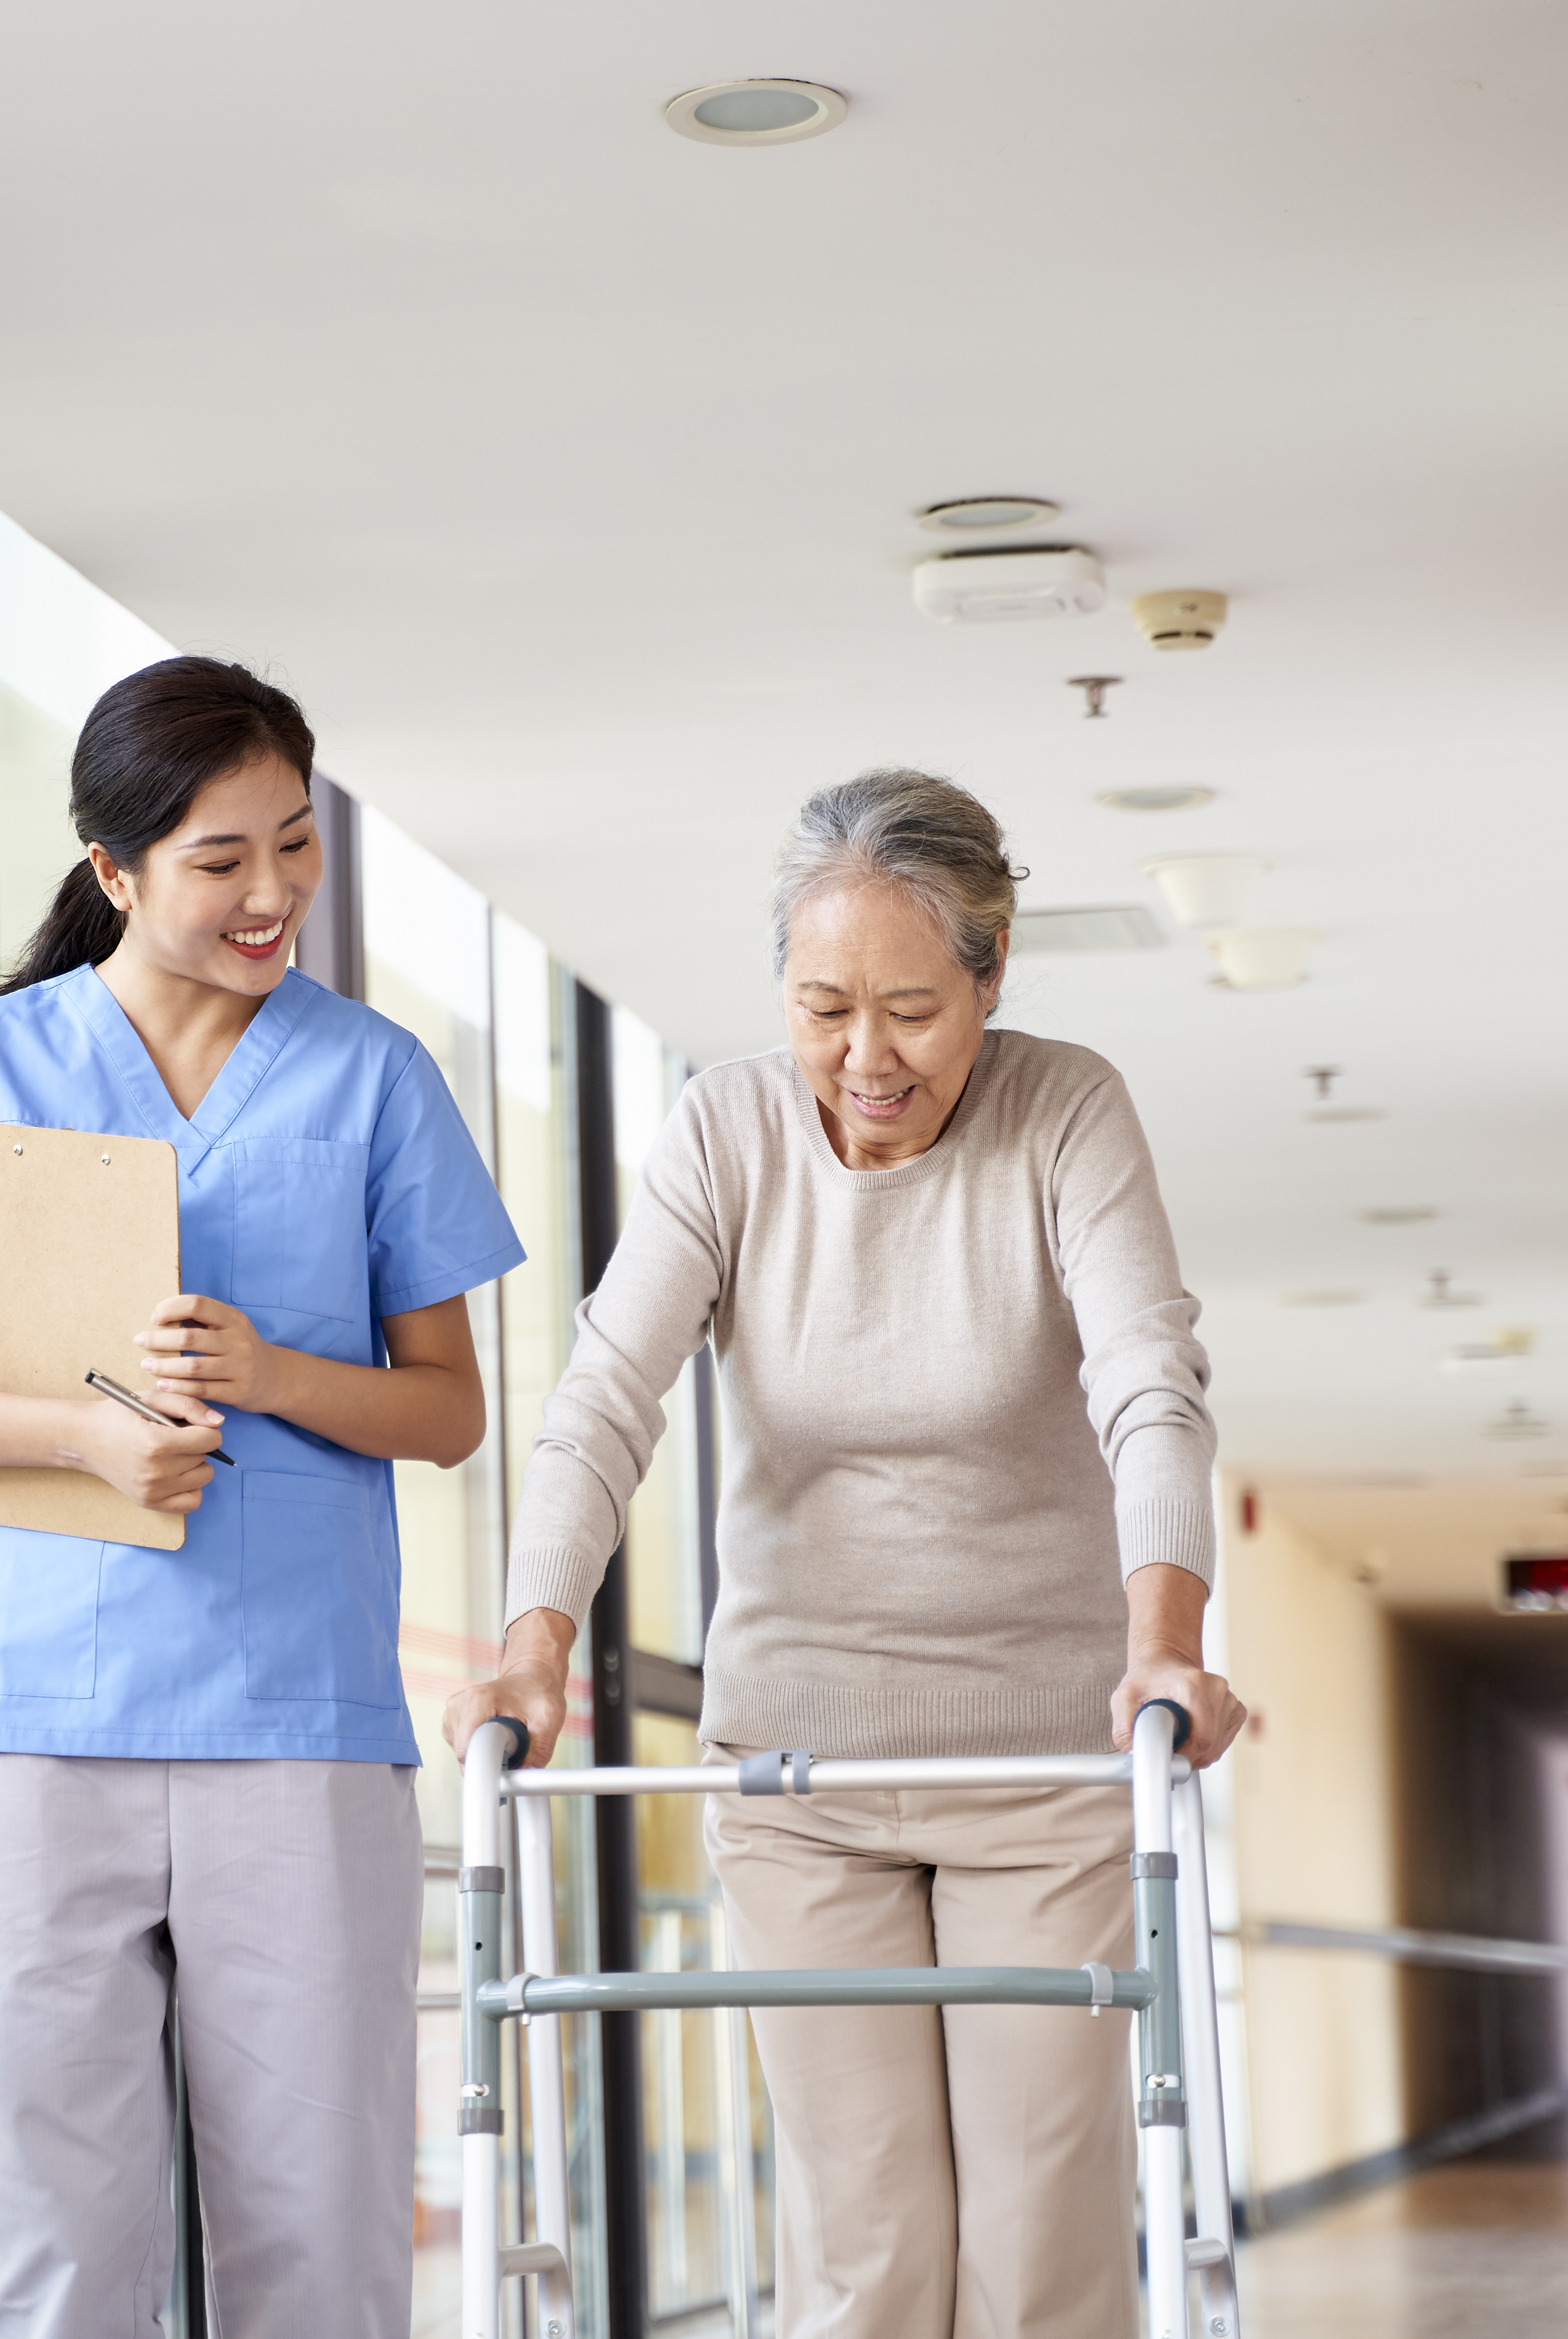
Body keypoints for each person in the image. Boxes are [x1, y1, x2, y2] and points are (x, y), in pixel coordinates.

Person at [446, 768, 1248, 2339]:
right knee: (866, 2251)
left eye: (911, 1012)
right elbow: (606, 1398)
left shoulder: (1063, 1109)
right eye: (823, 1009)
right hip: (797, 1776)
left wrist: (1166, 1641)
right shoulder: (725, 1132)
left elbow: (1149, 1380)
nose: (864, 1060)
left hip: (1040, 1772)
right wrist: (535, 1644)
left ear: (992, 976)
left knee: (1037, 2255)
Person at [0, 655, 523, 2337]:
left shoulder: (372, 1078)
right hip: (31, 1733)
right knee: (42, 2246)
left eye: (294, 846)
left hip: (300, 1729)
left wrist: (269, 1376)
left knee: (322, 2240)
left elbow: (449, 1409)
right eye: (219, 861)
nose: (272, 896)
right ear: (116, 872)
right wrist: (80, 1435)